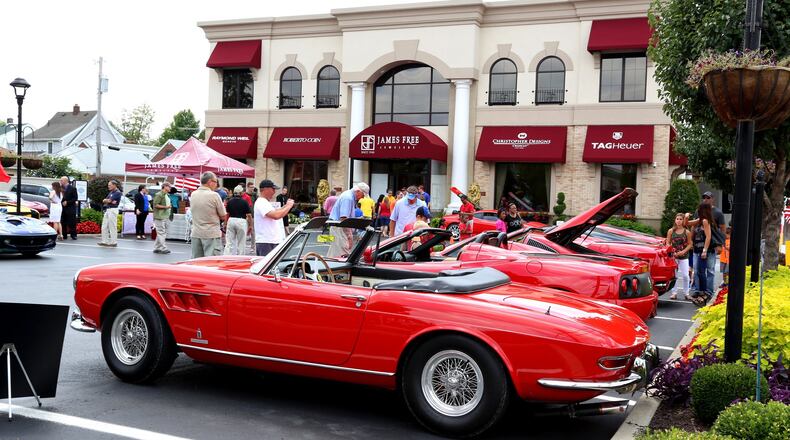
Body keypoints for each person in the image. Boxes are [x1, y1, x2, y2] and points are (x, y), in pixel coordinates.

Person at [190, 172, 227, 258]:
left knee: (196, 262)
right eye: (216, 182)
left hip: (196, 232)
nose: (216, 184)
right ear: (210, 182)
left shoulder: (193, 194)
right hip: (211, 232)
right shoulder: (214, 195)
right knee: (211, 262)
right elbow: (223, 215)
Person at [328, 182, 369, 257]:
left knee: (335, 252)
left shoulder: (348, 195)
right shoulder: (348, 198)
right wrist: (349, 236)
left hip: (338, 227)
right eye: (363, 195)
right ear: (358, 191)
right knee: (342, 254)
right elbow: (344, 219)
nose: (362, 198)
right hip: (339, 228)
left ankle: (328, 268)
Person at [254, 180, 293, 257]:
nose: (274, 192)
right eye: (273, 189)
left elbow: (275, 212)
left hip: (270, 241)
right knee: (267, 267)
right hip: (266, 241)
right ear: (266, 189)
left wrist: (285, 207)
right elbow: (275, 215)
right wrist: (288, 206)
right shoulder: (261, 202)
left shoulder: (265, 202)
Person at [689, 203, 714, 305]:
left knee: (702, 272)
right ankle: (700, 291)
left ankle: (704, 293)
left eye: (699, 209)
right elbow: (687, 223)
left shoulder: (705, 221)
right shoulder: (700, 220)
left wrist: (705, 250)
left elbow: (708, 236)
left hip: (702, 251)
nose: (697, 210)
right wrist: (686, 217)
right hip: (697, 249)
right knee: (699, 271)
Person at [666, 213, 692, 300]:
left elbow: (690, 244)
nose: (679, 221)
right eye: (677, 219)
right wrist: (672, 251)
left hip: (684, 256)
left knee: (685, 275)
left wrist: (683, 251)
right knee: (674, 275)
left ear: (683, 220)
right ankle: (674, 293)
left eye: (681, 219)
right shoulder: (671, 231)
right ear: (675, 220)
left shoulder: (687, 232)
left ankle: (686, 293)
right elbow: (667, 242)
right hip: (673, 256)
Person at [225, 185, 253, 255]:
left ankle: (227, 256)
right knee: (241, 242)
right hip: (241, 221)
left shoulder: (230, 201)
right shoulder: (244, 202)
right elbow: (249, 215)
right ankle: (240, 257)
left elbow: (227, 213)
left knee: (229, 242)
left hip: (231, 220)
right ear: (241, 193)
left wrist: (225, 223)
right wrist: (250, 225)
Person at [97, 180, 122, 247]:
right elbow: (105, 200)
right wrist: (108, 201)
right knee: (104, 226)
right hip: (108, 210)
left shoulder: (117, 192)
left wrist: (108, 201)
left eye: (110, 185)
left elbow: (108, 200)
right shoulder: (111, 192)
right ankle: (104, 241)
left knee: (112, 226)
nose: (108, 186)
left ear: (114, 185)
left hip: (113, 210)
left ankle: (114, 242)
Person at [152, 182, 172, 254]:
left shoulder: (166, 195)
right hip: (159, 216)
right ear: (165, 186)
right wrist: (166, 207)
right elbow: (155, 205)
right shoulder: (159, 194)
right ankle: (163, 248)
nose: (170, 188)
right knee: (161, 232)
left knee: (161, 233)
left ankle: (157, 247)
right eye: (169, 186)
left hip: (165, 216)